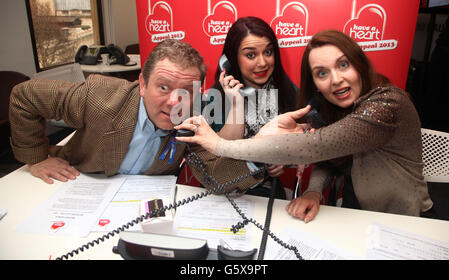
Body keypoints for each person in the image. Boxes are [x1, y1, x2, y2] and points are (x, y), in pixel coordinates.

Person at [176, 29, 434, 221]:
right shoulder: (210, 99)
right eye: (322, 73)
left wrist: (221, 145)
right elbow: (331, 158)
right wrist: (314, 191)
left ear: (359, 62)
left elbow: (315, 147)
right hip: (354, 212)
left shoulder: (388, 102)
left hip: (405, 218)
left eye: (343, 64)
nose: (336, 80)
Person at [9, 39, 207, 184]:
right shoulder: (99, 97)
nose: (174, 102)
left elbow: (216, 174)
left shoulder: (195, 120)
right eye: (163, 87)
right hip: (78, 182)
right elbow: (24, 95)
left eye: (186, 92)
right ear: (143, 85)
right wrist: (36, 158)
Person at [204, 16, 298, 198]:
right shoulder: (216, 96)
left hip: (266, 190)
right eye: (251, 55)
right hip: (223, 190)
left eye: (268, 52)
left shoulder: (286, 90)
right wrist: (236, 103)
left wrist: (283, 161)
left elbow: (298, 141)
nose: (262, 62)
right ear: (231, 59)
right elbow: (219, 156)